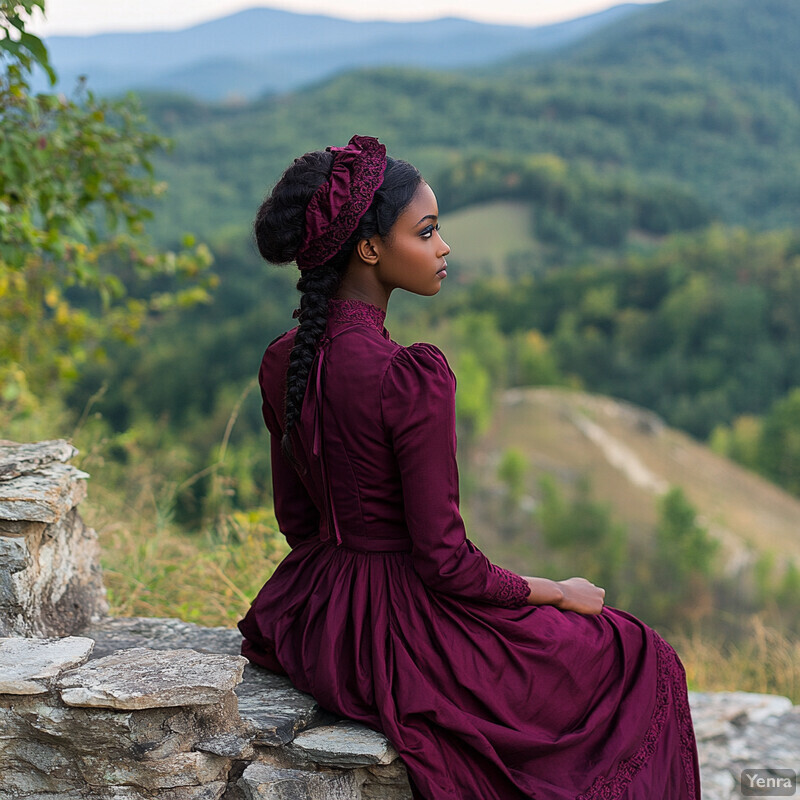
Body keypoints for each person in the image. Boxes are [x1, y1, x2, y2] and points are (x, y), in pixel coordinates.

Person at [237, 134, 701, 800]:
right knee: (639, 656)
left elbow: (297, 523)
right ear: (370, 249)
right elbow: (445, 562)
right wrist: (557, 590)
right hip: (402, 632)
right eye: (426, 232)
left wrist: (348, 593)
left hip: (317, 617)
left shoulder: (285, 359)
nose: (443, 247)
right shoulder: (408, 377)